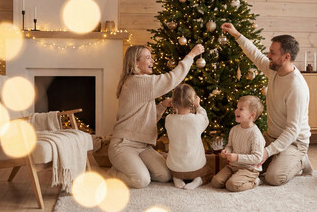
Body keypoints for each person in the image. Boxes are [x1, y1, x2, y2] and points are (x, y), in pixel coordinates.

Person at [220, 23, 313, 186]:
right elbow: (255, 54)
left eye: (272, 52)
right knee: (248, 165)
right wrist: (237, 35)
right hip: (272, 136)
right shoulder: (274, 70)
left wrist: (267, 152)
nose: (268, 55)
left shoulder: (297, 88)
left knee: (273, 178)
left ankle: (300, 161)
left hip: (294, 142)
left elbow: (292, 130)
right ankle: (278, 157)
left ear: (286, 57)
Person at [108, 44, 204, 188]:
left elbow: (145, 119)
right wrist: (191, 55)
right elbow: (171, 79)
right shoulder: (138, 81)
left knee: (164, 176)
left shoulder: (140, 82)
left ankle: (134, 168)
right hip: (123, 145)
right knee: (141, 181)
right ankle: (113, 174)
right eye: (148, 58)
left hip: (143, 146)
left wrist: (162, 106)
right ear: (136, 63)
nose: (152, 61)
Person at [211, 95, 265, 192]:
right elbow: (230, 146)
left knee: (232, 185)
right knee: (216, 182)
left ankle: (255, 181)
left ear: (252, 115)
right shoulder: (234, 130)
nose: (236, 111)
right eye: (237, 108)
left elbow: (257, 158)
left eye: (241, 109)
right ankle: (236, 176)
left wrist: (237, 157)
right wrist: (226, 151)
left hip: (249, 169)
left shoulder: (255, 134)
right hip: (233, 166)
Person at [165, 84, 213, 190]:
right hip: (196, 168)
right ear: (192, 102)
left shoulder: (169, 119)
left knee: (174, 167)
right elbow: (205, 118)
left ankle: (176, 178)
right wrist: (198, 106)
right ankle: (198, 180)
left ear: (173, 102)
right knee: (209, 172)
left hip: (174, 168)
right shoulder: (197, 120)